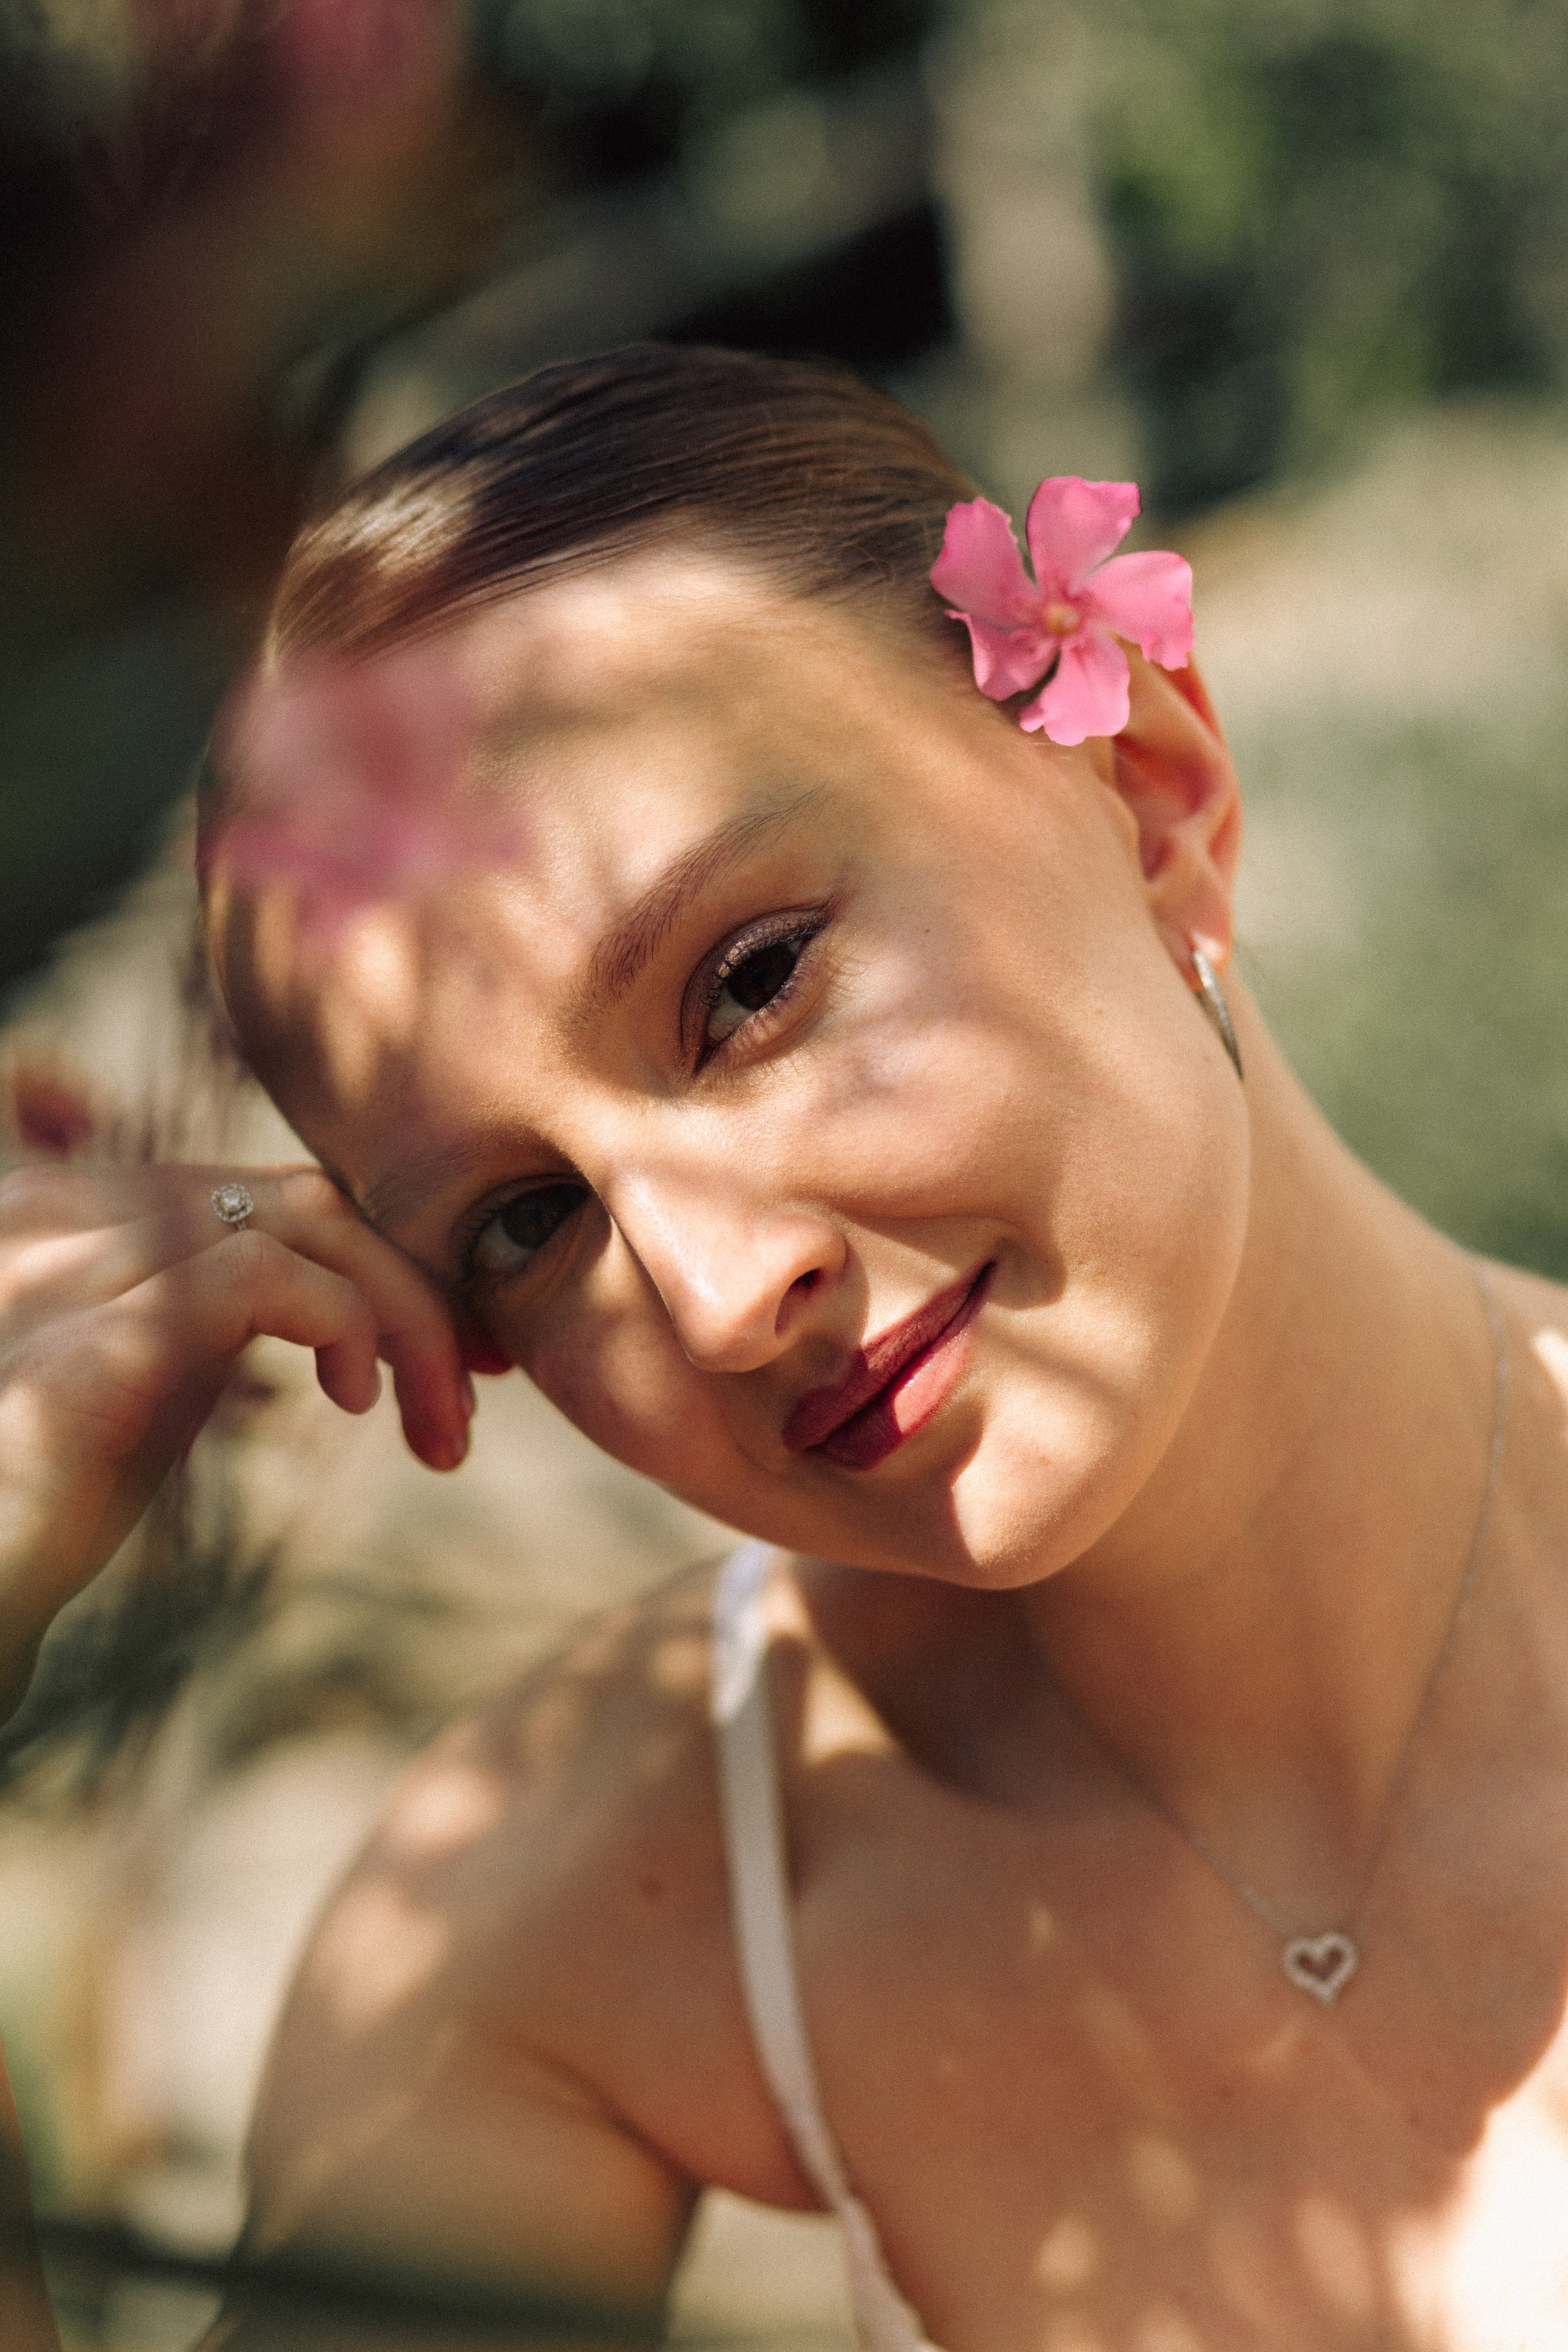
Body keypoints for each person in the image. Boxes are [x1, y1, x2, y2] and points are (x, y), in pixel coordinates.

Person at [7, 344, 1568, 2352]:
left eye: (751, 985)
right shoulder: (571, 1929)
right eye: (525, 1222)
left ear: (1153, 797)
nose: (718, 1291)